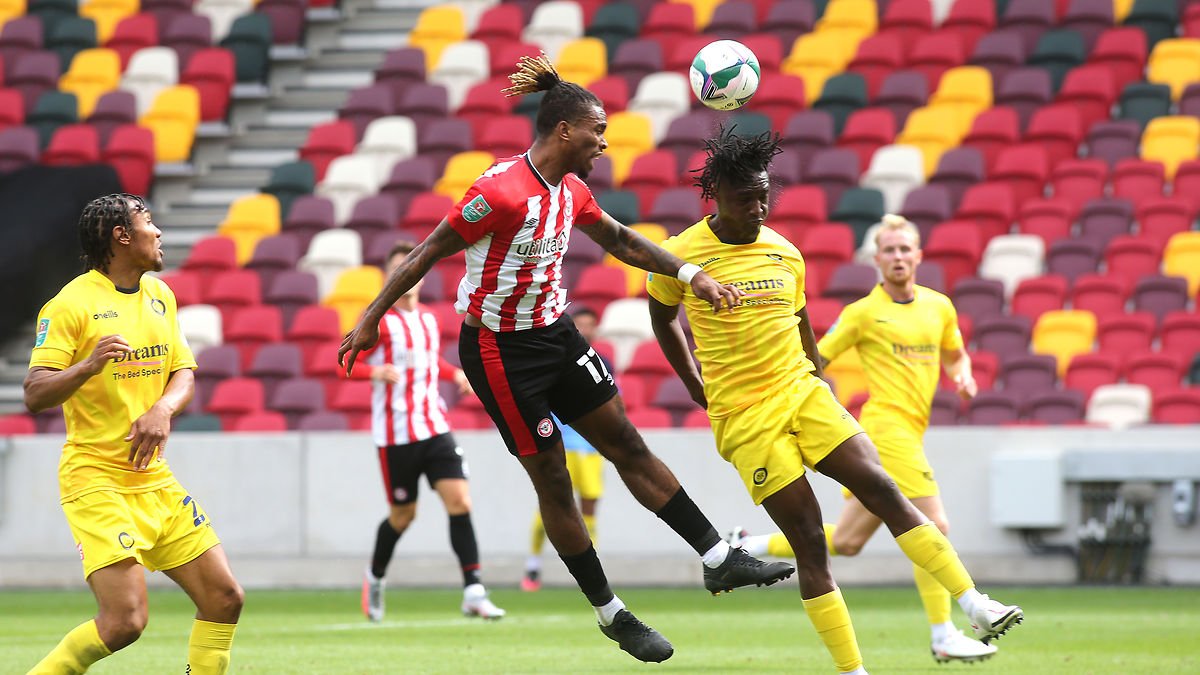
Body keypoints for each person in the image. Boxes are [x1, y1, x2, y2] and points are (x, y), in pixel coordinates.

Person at [338, 54, 795, 664]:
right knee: (552, 476)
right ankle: (612, 613)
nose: (603, 143)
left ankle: (717, 558)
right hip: (499, 351)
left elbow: (620, 240)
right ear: (563, 131)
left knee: (627, 444)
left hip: (556, 335)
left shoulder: (572, 192)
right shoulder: (496, 192)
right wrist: (370, 318)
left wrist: (690, 275)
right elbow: (425, 253)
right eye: (596, 131)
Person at [646, 126, 1022, 675]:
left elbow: (800, 323)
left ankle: (974, 604)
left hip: (802, 392)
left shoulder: (786, 253)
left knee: (883, 488)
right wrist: (690, 382)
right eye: (744, 198)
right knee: (812, 544)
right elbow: (661, 318)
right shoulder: (680, 254)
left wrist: (817, 378)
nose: (757, 208)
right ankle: (853, 670)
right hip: (746, 417)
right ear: (716, 196)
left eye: (763, 196)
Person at [728, 214, 996, 663]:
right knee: (935, 525)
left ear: (918, 256)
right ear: (877, 260)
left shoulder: (939, 306)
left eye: (904, 249)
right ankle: (944, 631)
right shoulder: (863, 313)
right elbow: (816, 357)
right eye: (889, 250)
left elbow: (954, 353)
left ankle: (746, 545)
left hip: (913, 429)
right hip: (886, 429)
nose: (897, 257)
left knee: (848, 541)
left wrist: (963, 376)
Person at [23, 194, 243, 674]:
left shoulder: (160, 295)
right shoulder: (69, 305)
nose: (159, 232)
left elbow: (183, 372)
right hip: (97, 480)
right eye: (149, 223)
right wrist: (90, 364)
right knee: (124, 621)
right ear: (121, 236)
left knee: (225, 598)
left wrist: (162, 409)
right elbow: (35, 392)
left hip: (153, 480)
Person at [359, 241, 505, 622]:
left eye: (410, 264)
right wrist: (372, 371)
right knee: (402, 516)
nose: (405, 271)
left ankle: (473, 590)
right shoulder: (378, 320)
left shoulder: (429, 319)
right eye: (397, 265)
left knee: (460, 502)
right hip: (396, 435)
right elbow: (344, 359)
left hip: (435, 427)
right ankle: (374, 577)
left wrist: (453, 372)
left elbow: (429, 359)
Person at [522, 308, 607, 592]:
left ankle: (592, 570)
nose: (584, 329)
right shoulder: (554, 358)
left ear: (596, 329)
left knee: (590, 504)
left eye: (589, 325)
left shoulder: (602, 362)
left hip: (592, 449)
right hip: (564, 443)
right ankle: (533, 565)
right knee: (554, 501)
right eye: (579, 324)